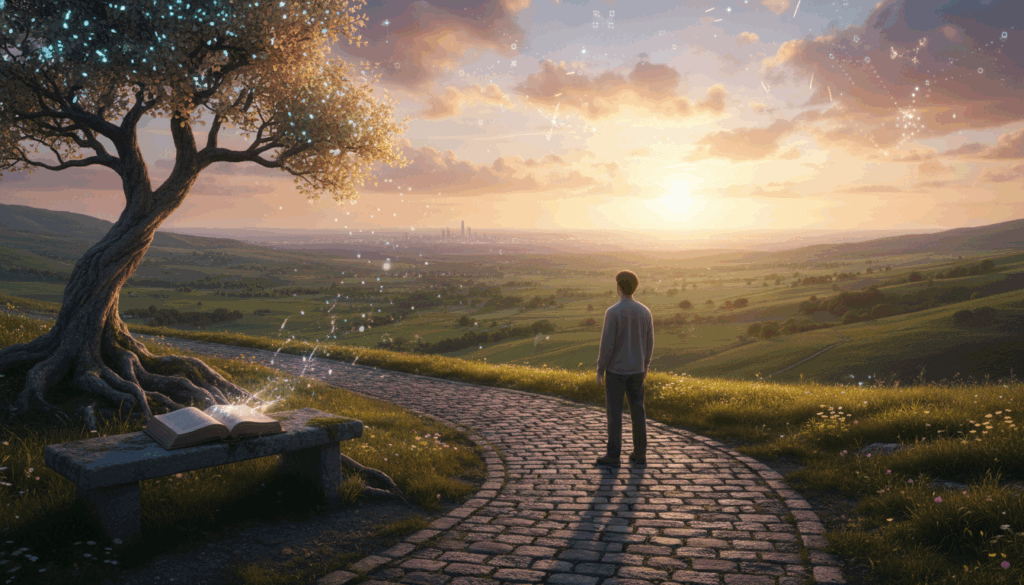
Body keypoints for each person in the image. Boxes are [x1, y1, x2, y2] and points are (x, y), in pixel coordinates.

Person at [595, 270, 654, 466]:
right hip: (637, 370)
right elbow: (650, 342)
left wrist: (600, 369)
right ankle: (640, 453)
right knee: (638, 411)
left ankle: (613, 456)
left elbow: (607, 344)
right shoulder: (645, 311)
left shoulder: (613, 312)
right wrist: (646, 364)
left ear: (618, 288)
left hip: (615, 371)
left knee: (615, 413)